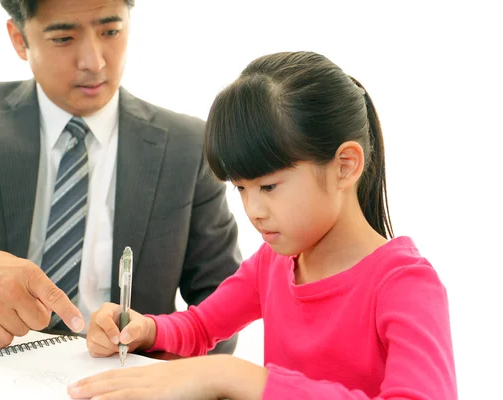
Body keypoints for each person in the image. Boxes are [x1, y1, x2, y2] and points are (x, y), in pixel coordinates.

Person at [69, 51, 458, 399]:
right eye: (241, 187)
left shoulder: (404, 284)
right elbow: (201, 326)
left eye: (269, 186)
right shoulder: (272, 263)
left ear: (345, 165)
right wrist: (144, 330)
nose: (253, 209)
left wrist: (246, 380)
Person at [0, 0, 241, 355]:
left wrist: (163, 352)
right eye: (64, 38)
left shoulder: (186, 146)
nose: (94, 62)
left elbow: (226, 299)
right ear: (19, 39)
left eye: (111, 31)